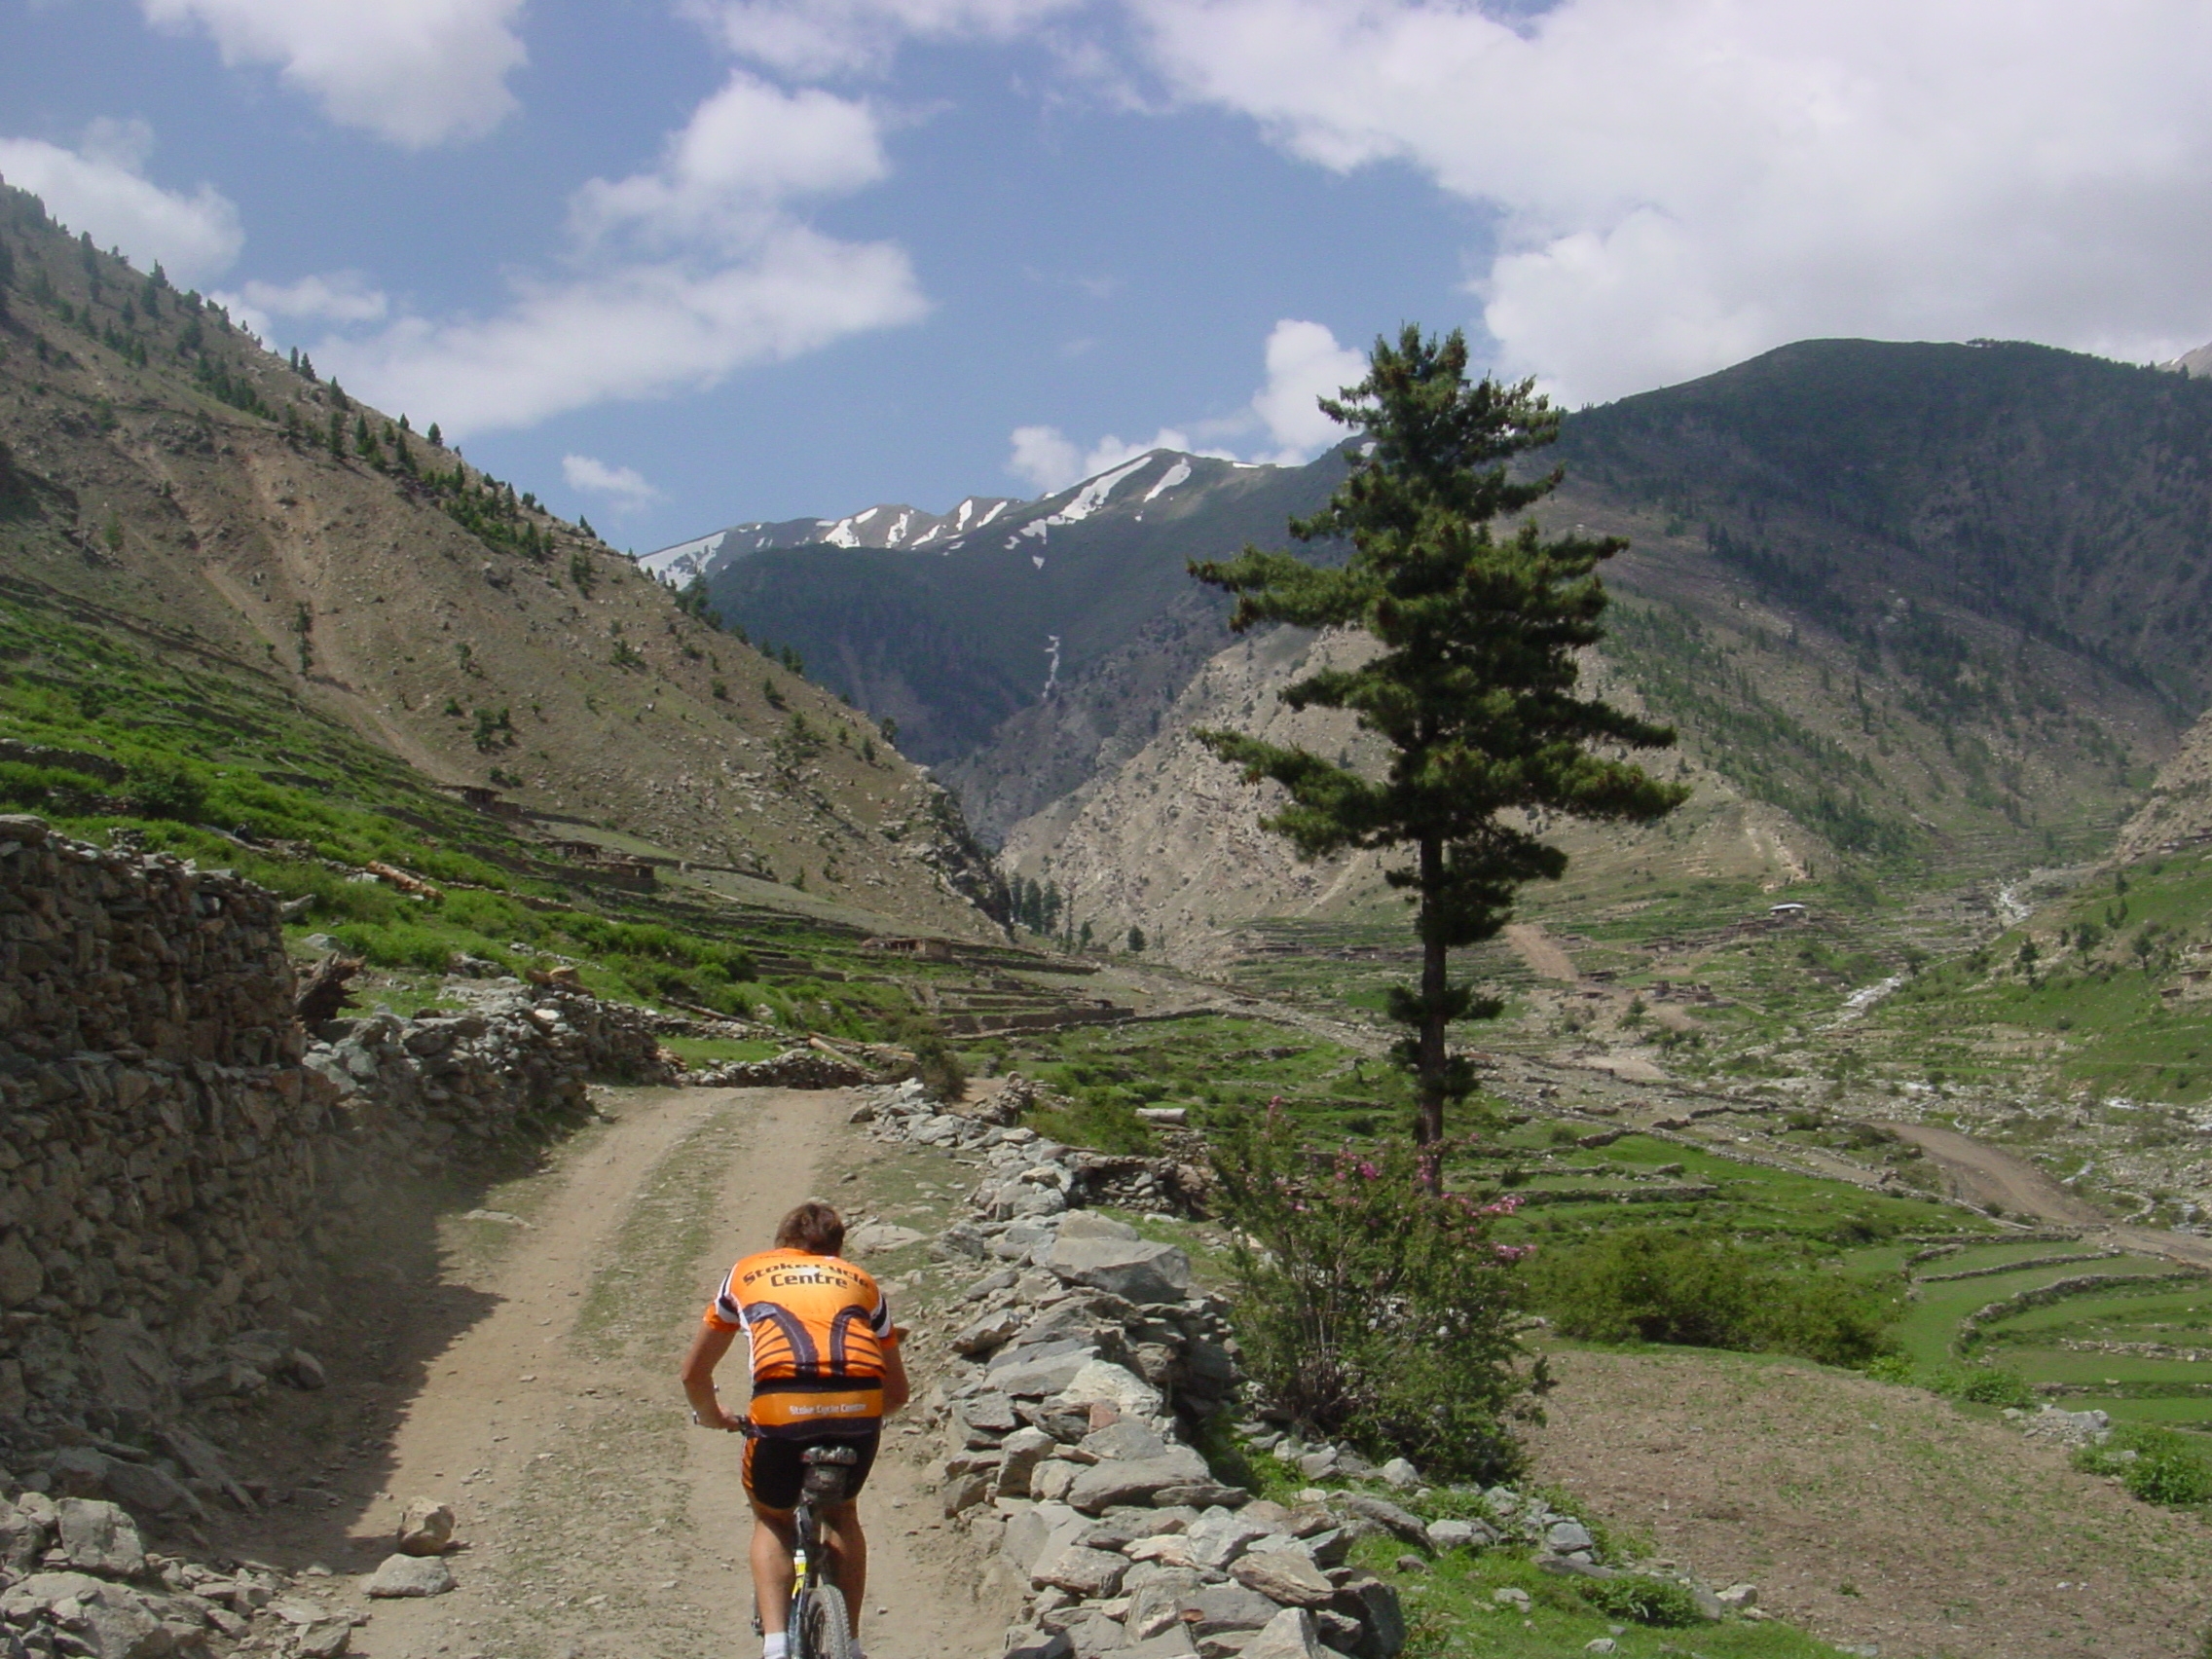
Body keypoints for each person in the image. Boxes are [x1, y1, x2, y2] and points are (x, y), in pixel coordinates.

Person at [681, 1201, 908, 1659]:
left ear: (781, 1242)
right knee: (843, 1514)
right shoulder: (862, 1281)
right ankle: (854, 1644)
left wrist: (713, 1415)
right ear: (838, 1249)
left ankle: (777, 1646)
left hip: (782, 1411)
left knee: (773, 1518)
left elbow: (693, 1375)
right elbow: (898, 1392)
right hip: (859, 1410)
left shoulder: (746, 1272)